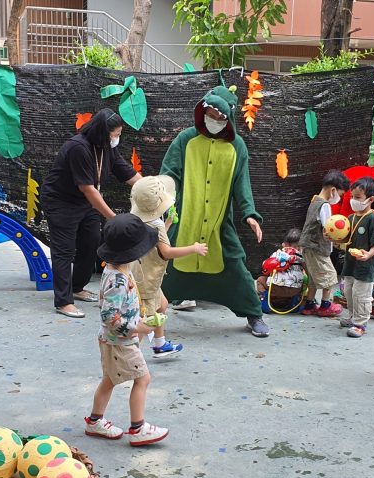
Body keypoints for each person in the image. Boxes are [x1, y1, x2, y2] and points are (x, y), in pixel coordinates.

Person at [160, 86, 270, 338]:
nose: (215, 120)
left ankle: (254, 314)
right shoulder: (185, 139)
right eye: (211, 114)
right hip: (184, 219)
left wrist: (250, 214)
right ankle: (144, 310)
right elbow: (169, 173)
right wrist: (164, 202)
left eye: (221, 117)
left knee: (234, 265)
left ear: (229, 118)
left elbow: (242, 183)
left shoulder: (236, 146)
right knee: (166, 267)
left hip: (219, 223)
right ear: (202, 111)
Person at [40, 108, 142, 319]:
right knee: (64, 250)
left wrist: (151, 188)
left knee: (92, 241)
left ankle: (77, 287)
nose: (117, 138)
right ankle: (63, 301)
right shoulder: (79, 148)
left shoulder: (106, 148)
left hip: (84, 202)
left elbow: (126, 172)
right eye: (115, 134)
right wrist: (114, 219)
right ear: (103, 133)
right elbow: (88, 189)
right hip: (61, 201)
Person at [83, 214, 169, 446]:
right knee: (143, 379)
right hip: (119, 342)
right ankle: (138, 428)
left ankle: (94, 421)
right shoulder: (117, 281)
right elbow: (109, 316)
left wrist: (140, 318)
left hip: (115, 340)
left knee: (110, 379)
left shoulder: (119, 269)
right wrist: (136, 326)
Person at [129, 175, 207, 358]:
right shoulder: (156, 225)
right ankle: (131, 355)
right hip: (147, 280)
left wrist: (168, 223)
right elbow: (166, 252)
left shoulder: (137, 219)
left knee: (162, 305)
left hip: (138, 274)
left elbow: (153, 240)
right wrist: (194, 248)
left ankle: (160, 344)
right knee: (146, 319)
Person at [338, 177, 374, 338]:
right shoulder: (351, 218)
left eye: (357, 197)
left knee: (361, 295)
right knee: (349, 292)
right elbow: (345, 238)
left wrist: (369, 254)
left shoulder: (373, 219)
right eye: (352, 196)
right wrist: (333, 237)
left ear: (370, 199)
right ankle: (353, 316)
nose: (353, 200)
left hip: (366, 265)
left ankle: (360, 323)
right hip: (351, 263)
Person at [300, 170, 350, 317]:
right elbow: (328, 228)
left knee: (314, 278)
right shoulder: (325, 205)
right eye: (340, 194)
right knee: (330, 276)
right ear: (333, 190)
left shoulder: (314, 201)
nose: (339, 198)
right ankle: (325, 306)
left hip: (308, 246)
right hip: (317, 248)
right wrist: (339, 241)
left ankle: (309, 305)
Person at [256, 228, 306, 313]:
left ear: (284, 244)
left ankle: (264, 300)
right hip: (295, 290)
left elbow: (266, 266)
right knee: (304, 281)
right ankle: (295, 302)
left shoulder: (277, 254)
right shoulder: (302, 257)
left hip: (276, 288)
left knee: (260, 280)